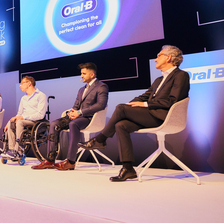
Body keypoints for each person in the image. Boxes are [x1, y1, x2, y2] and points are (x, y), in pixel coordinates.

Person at [79, 45, 190, 181]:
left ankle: (100, 140)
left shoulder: (181, 75)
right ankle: (128, 169)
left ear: (168, 58)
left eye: (159, 56)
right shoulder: (159, 80)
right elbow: (144, 96)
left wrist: (143, 105)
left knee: (120, 108)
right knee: (121, 125)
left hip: (164, 117)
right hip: (151, 115)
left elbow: (173, 100)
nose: (155, 60)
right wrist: (129, 105)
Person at [32, 63, 108, 170]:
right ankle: (50, 160)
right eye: (81, 73)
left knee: (73, 124)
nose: (81, 76)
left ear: (92, 75)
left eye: (84, 73)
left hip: (90, 118)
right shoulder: (82, 89)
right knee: (54, 124)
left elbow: (101, 105)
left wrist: (80, 112)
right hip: (78, 116)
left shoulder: (101, 86)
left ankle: (71, 161)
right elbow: (76, 105)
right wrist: (72, 112)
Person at [1, 76, 47, 159]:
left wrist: (23, 117)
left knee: (19, 122)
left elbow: (40, 115)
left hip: (35, 121)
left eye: (22, 83)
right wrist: (10, 122)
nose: (20, 85)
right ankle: (12, 150)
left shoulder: (41, 96)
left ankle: (18, 151)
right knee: (12, 122)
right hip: (24, 120)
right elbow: (19, 114)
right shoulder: (23, 98)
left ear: (29, 84)